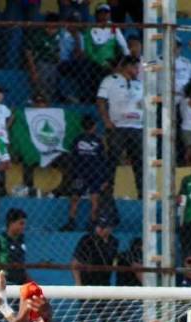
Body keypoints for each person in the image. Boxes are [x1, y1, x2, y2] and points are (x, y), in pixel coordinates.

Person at [96, 55, 143, 196]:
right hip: (118, 127)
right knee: (112, 160)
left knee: (139, 162)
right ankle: (107, 192)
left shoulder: (139, 84)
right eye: (135, 68)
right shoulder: (110, 80)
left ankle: (142, 193)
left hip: (137, 128)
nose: (138, 71)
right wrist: (106, 121)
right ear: (127, 66)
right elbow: (100, 101)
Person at [62, 115, 111, 232]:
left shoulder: (98, 140)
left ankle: (90, 223)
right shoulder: (78, 140)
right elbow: (72, 157)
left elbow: (103, 158)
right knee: (79, 198)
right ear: (94, 126)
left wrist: (105, 178)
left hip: (93, 174)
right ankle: (73, 222)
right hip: (83, 174)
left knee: (91, 199)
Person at [0, 209, 29, 284]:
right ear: (11, 223)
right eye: (21, 223)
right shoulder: (0, 241)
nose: (24, 227)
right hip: (5, 282)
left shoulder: (21, 240)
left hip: (20, 281)